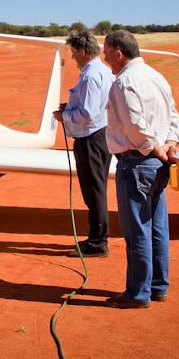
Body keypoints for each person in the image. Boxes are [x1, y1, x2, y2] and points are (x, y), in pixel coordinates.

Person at [102, 30, 179, 309]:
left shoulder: (124, 83)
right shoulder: (157, 77)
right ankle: (158, 286)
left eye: (106, 53)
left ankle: (138, 293)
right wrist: (170, 145)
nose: (104, 58)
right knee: (157, 227)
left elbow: (135, 126)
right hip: (159, 164)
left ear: (118, 53)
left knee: (137, 230)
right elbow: (174, 117)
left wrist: (156, 148)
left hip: (136, 163)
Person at [52, 29, 115, 258]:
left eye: (74, 52)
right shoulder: (104, 71)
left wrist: (65, 116)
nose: (72, 57)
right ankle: (96, 238)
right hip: (101, 135)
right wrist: (69, 107)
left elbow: (88, 113)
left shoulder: (90, 75)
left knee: (94, 191)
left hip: (91, 139)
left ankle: (98, 242)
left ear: (83, 51)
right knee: (96, 189)